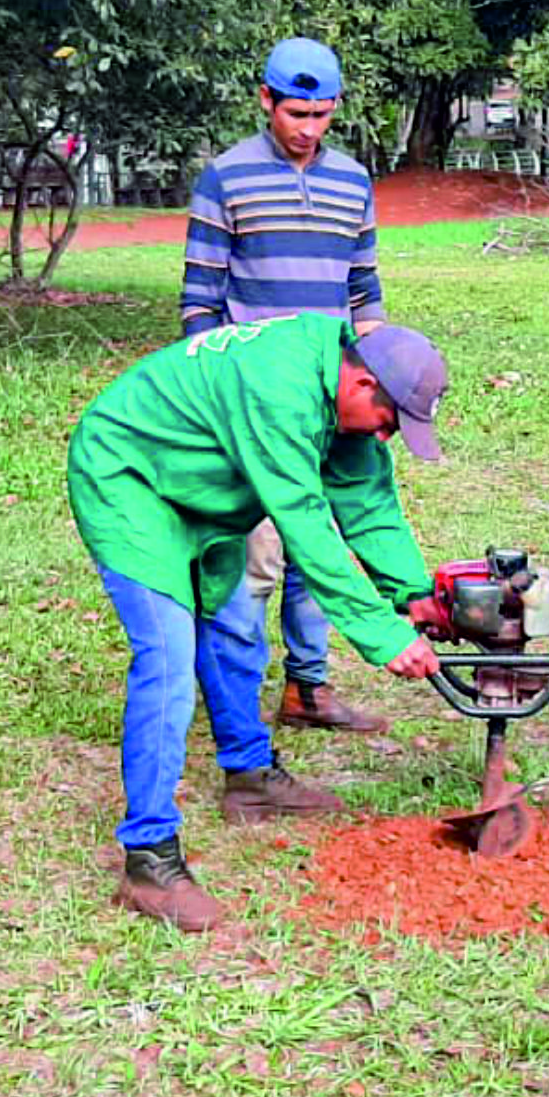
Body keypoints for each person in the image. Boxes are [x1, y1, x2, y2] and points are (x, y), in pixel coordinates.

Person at [67, 314, 449, 932]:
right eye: (388, 424)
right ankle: (149, 860)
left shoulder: (339, 382)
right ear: (360, 385)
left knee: (231, 630)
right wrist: (382, 635)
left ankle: (249, 778)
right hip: (129, 479)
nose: (385, 440)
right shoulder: (281, 385)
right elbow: (303, 521)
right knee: (167, 655)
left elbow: (368, 501)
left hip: (207, 487)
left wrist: (413, 595)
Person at [180, 36, 390, 735]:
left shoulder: (353, 182)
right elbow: (200, 299)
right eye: (296, 113)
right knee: (255, 560)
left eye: (322, 116)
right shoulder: (226, 177)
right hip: (257, 410)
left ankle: (308, 689)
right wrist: (215, 402)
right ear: (266, 100)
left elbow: (364, 290)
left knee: (319, 547)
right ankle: (233, 706)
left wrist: (377, 375)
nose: (308, 130)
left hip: (333, 405)